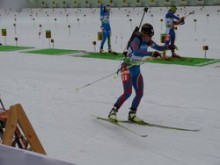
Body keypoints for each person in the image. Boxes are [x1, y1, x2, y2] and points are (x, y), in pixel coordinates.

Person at [108, 23, 176, 123]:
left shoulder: (147, 41)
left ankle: (132, 114)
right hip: (126, 68)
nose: (149, 38)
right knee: (128, 93)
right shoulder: (136, 40)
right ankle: (113, 112)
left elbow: (159, 47)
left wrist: (168, 47)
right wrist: (151, 53)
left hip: (136, 70)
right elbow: (136, 52)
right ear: (143, 33)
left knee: (140, 93)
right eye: (148, 36)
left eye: (151, 37)